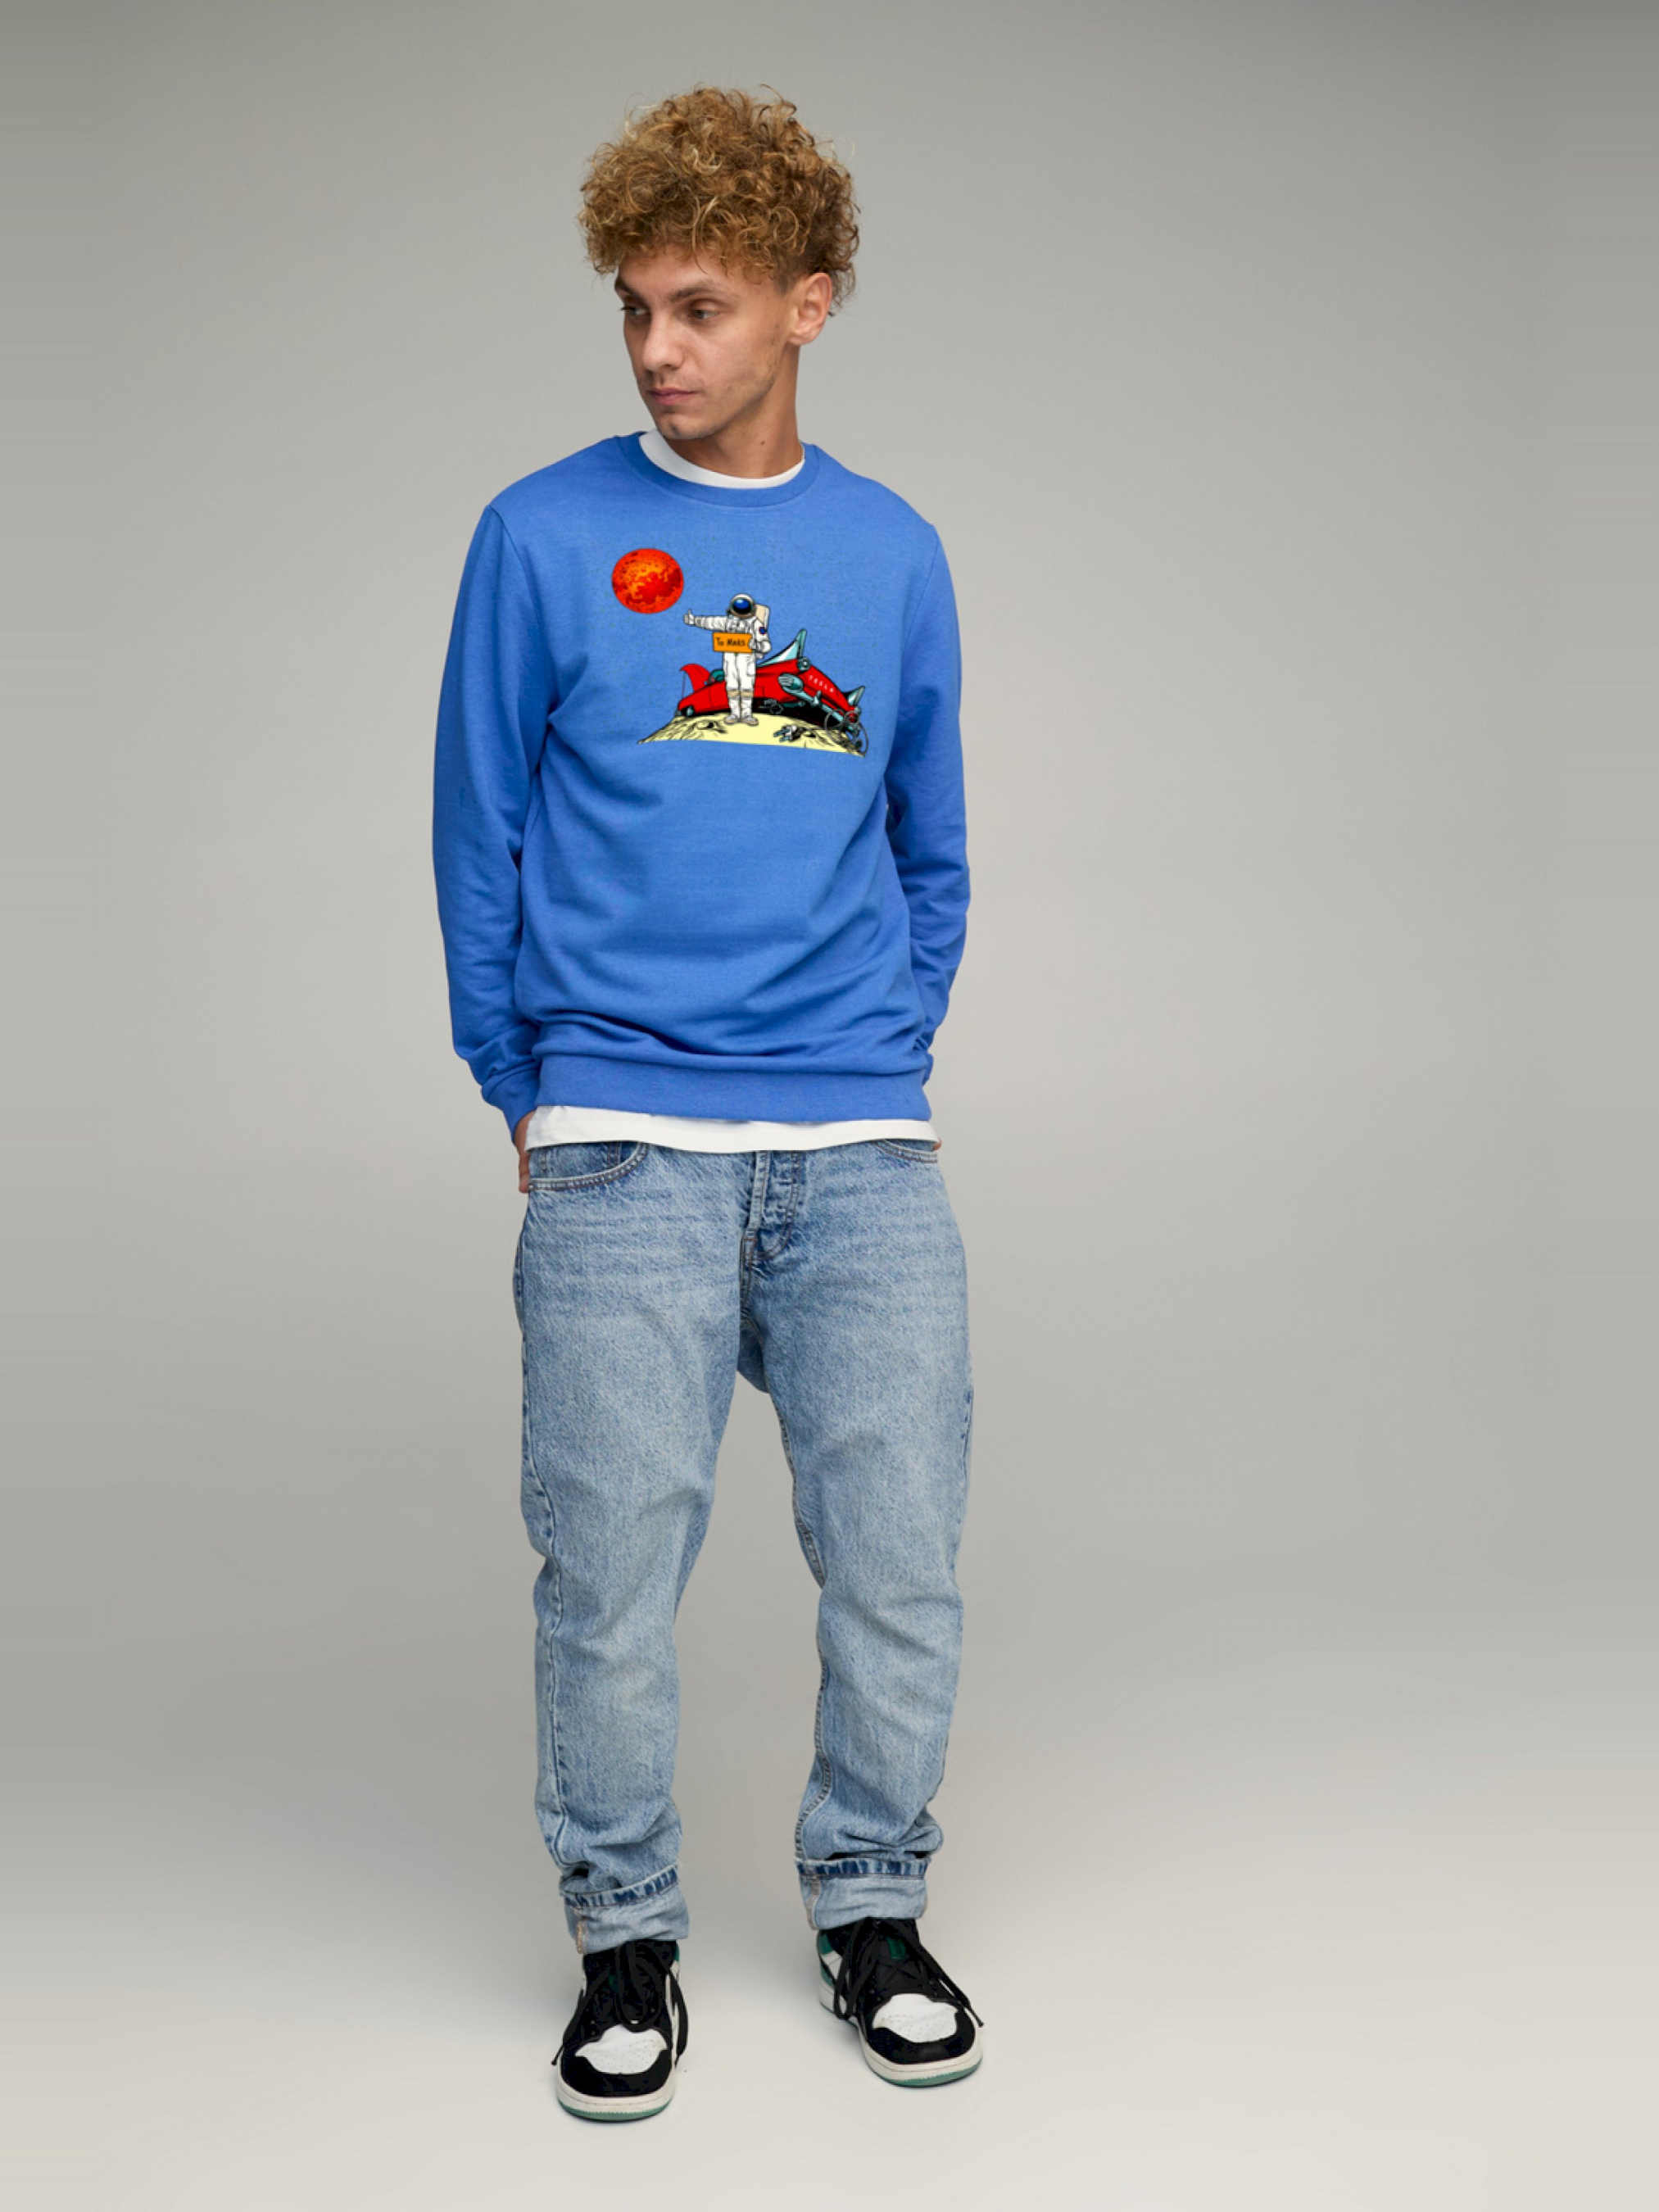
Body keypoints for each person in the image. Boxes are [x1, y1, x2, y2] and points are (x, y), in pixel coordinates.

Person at [433, 86, 979, 2120]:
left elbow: (929, 839)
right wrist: (524, 1081)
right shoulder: (538, 536)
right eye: (632, 308)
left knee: (900, 1563)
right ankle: (626, 1941)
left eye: (699, 307)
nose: (654, 349)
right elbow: (475, 831)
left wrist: (884, 1046)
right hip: (620, 1143)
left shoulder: (891, 553)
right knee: (609, 1585)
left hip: (857, 1145)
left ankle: (871, 1907)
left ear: (803, 306)